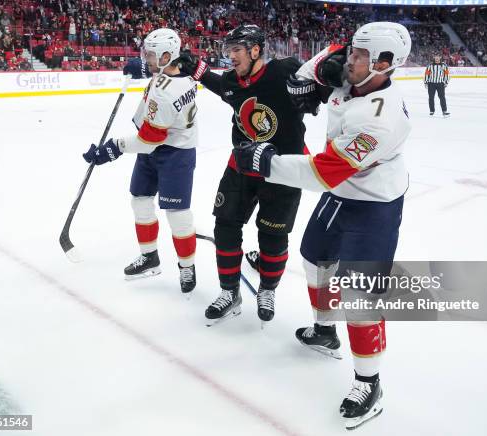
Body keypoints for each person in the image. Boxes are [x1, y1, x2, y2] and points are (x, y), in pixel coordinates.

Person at [232, 22, 412, 430]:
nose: (350, 59)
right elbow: (302, 78)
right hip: (342, 187)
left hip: (373, 202)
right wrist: (324, 66)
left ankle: (370, 382)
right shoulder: (353, 73)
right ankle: (325, 330)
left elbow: (323, 173)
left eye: (360, 56)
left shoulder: (381, 121)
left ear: (385, 64)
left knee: (360, 297)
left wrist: (266, 163)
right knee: (314, 260)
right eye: (352, 52)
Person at [179, 25, 306, 326]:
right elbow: (220, 86)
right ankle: (229, 292)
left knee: (273, 234)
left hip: (283, 169)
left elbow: (319, 76)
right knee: (225, 226)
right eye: (229, 50)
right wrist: (196, 69)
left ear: (256, 50)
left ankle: (267, 290)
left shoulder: (284, 72)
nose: (231, 56)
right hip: (242, 165)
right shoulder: (233, 82)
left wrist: (320, 80)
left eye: (237, 49)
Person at [82, 28, 198, 295]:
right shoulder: (177, 70)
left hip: (175, 152)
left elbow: (149, 139)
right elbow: (162, 74)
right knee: (140, 199)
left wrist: (114, 148)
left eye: (150, 55)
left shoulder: (167, 93)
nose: (146, 58)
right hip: (156, 145)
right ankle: (150, 257)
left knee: (178, 215)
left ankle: (187, 266)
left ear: (167, 55)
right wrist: (144, 68)